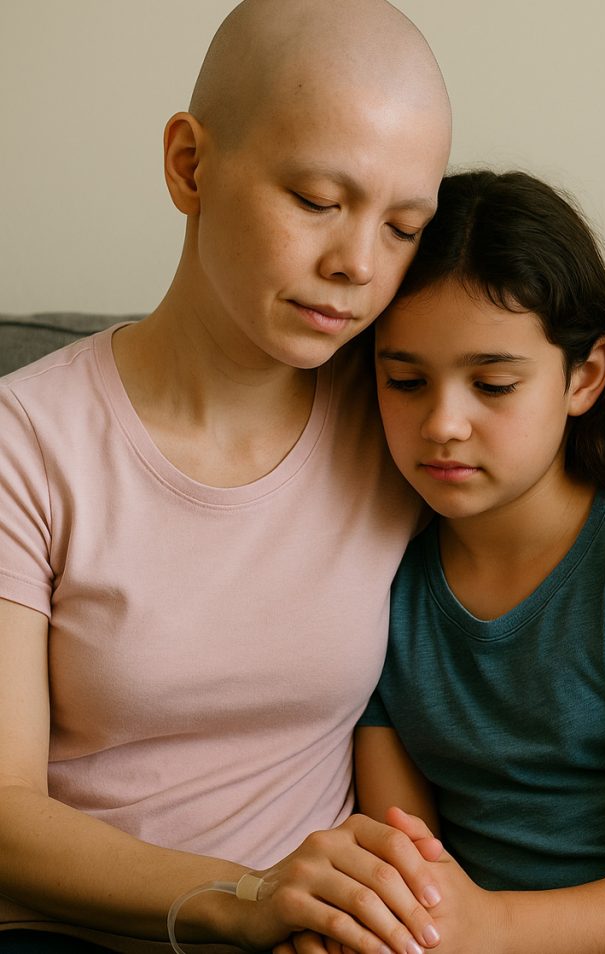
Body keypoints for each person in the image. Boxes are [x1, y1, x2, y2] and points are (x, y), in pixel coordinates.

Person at [0, 1, 452, 952]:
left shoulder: (405, 423)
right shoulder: (28, 442)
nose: (357, 266)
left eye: (404, 227)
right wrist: (247, 899)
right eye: (318, 201)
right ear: (189, 164)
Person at [280, 169, 605, 954]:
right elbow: (408, 854)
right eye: (405, 380)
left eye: (494, 384)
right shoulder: (377, 579)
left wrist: (486, 928)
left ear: (585, 376)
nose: (443, 423)